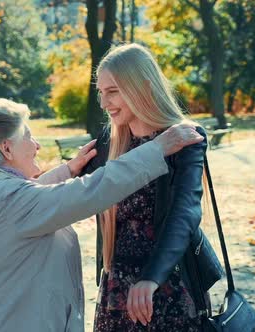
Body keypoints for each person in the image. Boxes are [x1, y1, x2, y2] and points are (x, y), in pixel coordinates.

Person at [0, 98, 203, 332]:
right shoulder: (13, 202)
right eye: (28, 136)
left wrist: (69, 170)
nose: (37, 144)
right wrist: (157, 149)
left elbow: (28, 200)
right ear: (6, 149)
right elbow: (93, 191)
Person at [83, 43, 223, 331]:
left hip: (168, 283)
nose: (103, 103)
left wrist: (151, 277)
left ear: (143, 88)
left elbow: (185, 212)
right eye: (101, 92)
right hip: (117, 289)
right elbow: (72, 195)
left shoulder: (185, 137)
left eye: (113, 91)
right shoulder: (108, 142)